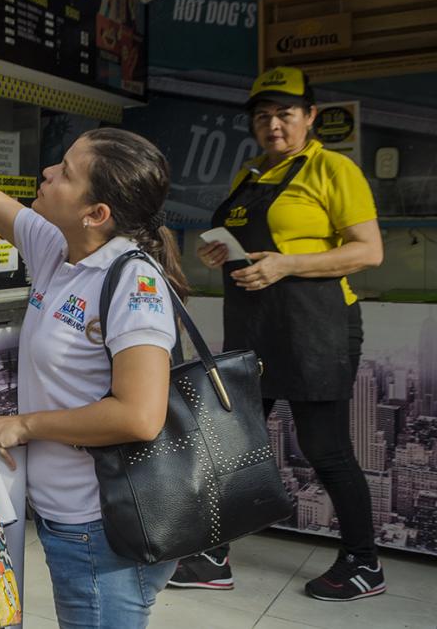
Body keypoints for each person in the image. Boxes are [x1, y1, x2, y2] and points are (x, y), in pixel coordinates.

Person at [0, 121, 187, 628]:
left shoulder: (133, 282)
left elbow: (140, 415)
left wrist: (25, 425)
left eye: (64, 172)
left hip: (103, 527)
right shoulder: (57, 250)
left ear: (96, 213)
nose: (46, 173)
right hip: (71, 519)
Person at [170, 67, 385, 601]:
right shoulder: (252, 175)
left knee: (325, 448)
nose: (273, 125)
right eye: (263, 116)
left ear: (310, 116)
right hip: (255, 328)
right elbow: (247, 245)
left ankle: (364, 564)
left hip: (317, 329)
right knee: (230, 443)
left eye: (285, 114)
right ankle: (213, 557)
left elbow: (368, 251)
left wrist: (286, 264)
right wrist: (215, 251)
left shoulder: (333, 170)